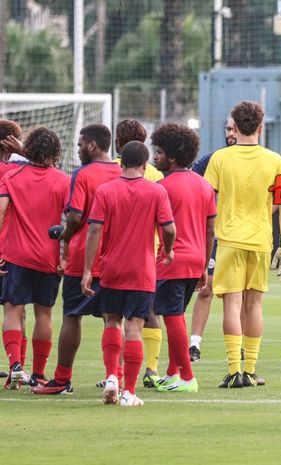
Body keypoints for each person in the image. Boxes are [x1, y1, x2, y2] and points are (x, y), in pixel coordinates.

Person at [204, 100, 281, 388]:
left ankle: (234, 370)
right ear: (260, 127)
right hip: (260, 240)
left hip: (228, 238)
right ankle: (251, 370)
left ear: (235, 126)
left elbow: (207, 200)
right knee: (254, 305)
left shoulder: (220, 158)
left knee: (232, 304)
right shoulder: (274, 160)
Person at [82, 141, 175, 407]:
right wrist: (167, 250)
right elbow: (169, 229)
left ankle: (112, 376)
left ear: (120, 164)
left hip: (111, 268)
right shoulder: (156, 191)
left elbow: (94, 230)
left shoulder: (105, 190)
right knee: (135, 327)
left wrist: (88, 270)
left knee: (112, 322)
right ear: (145, 165)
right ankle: (129, 392)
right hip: (141, 270)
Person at [32, 125, 122, 395]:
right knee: (113, 319)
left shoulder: (83, 174)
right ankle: (114, 377)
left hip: (84, 257)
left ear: (93, 145)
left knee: (72, 316)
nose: (79, 148)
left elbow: (74, 217)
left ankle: (62, 379)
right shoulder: (122, 172)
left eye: (81, 144)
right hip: (114, 258)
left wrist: (65, 236)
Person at [0, 126, 70, 389]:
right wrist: (66, 257)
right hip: (49, 257)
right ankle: (39, 374)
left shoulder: (13, 176)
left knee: (13, 310)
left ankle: (16, 365)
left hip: (17, 255)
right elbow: (70, 222)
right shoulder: (64, 181)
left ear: (27, 147)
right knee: (45, 314)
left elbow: (1, 212)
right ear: (55, 151)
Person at [150, 123, 216, 392]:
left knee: (172, 316)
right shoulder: (204, 186)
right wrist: (203, 263)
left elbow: (159, 228)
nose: (156, 157)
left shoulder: (162, 187)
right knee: (176, 313)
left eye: (159, 152)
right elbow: (210, 229)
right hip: (195, 259)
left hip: (171, 260)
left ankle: (187, 377)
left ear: (172, 157)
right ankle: (172, 372)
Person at [114, 119, 165, 387]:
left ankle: (115, 371)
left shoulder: (108, 170)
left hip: (111, 256)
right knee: (148, 313)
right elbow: (167, 221)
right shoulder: (156, 176)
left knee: (114, 318)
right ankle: (152, 368)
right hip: (148, 254)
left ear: (118, 142)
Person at [187, 116, 236, 363]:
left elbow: (275, 200)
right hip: (218, 236)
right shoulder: (213, 159)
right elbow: (192, 186)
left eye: (234, 128)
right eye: (227, 128)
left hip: (245, 238)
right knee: (205, 289)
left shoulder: (264, 159)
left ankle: (240, 347)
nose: (230, 133)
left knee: (241, 294)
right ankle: (194, 345)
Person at [0, 119, 27, 383]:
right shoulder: (18, 172)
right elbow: (48, 166)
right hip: (12, 251)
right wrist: (25, 152)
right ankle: (17, 369)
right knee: (17, 309)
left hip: (8, 250)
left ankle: (15, 366)